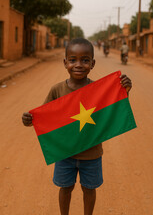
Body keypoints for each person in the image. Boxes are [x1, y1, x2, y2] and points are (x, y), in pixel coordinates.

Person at [22, 38, 132, 215]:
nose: (78, 65)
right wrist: (28, 119)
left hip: (92, 153)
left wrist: (124, 91)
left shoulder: (99, 89)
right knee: (65, 188)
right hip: (65, 153)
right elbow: (42, 117)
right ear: (65, 63)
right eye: (73, 60)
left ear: (93, 63)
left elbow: (113, 112)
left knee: (89, 189)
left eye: (85, 60)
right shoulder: (56, 90)